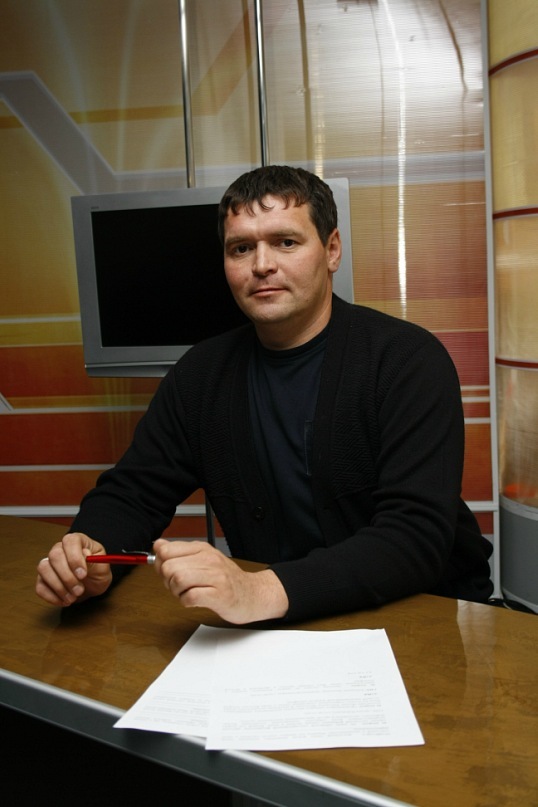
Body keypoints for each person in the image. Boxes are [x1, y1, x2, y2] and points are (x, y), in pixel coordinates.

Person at [36, 165, 493, 623]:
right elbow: (133, 492)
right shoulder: (200, 375)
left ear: (332, 250)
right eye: (241, 248)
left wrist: (257, 589)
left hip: (419, 615)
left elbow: (415, 536)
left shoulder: (406, 360)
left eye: (285, 242)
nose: (261, 265)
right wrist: (90, 553)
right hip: (279, 623)